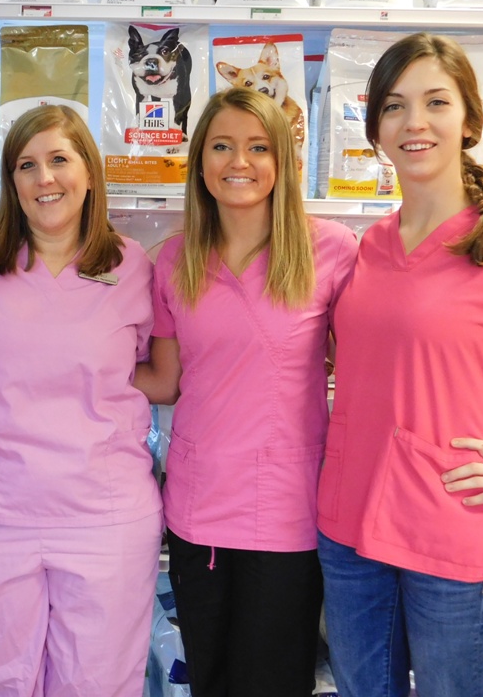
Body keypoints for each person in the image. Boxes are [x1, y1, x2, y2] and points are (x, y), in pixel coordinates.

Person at [316, 32, 483, 697]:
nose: (414, 122)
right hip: (349, 526)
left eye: (436, 102)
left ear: (471, 120)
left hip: (450, 534)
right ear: (375, 131)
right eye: (394, 106)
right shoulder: (368, 246)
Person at [134, 87, 358, 697]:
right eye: (222, 146)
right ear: (200, 162)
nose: (240, 162)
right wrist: (64, 365)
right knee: (210, 680)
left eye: (259, 147)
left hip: (288, 512)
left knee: (274, 682)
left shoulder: (330, 250)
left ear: (283, 160)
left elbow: (369, 364)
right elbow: (165, 382)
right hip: (196, 510)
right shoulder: (174, 261)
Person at [0, 104, 163, 696]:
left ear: (88, 171)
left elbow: (150, 371)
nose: (45, 178)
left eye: (59, 159)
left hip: (104, 518)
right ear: (10, 181)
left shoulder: (132, 267)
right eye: (26, 165)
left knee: (98, 685)